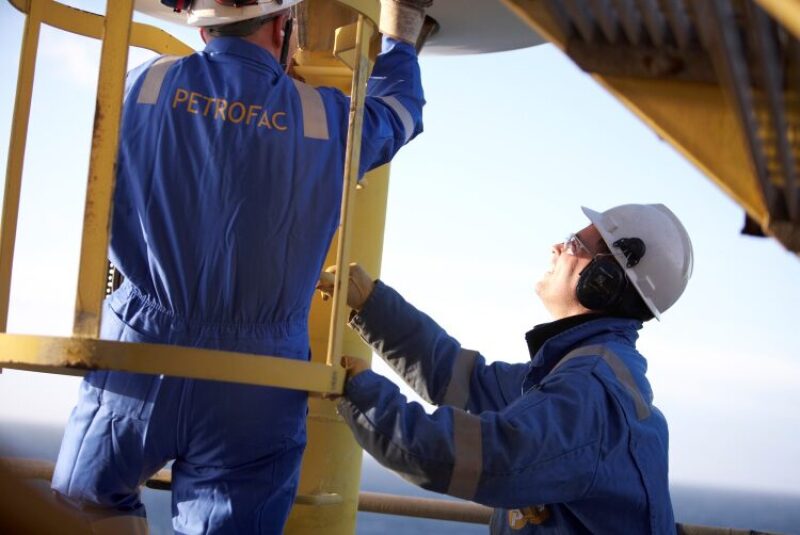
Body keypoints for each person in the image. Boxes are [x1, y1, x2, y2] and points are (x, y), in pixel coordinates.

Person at [51, 0, 432, 533]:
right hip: (260, 378)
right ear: (283, 24)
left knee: (82, 515)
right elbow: (397, 110)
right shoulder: (321, 118)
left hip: (137, 354)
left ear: (203, 25)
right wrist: (402, 36)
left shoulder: (143, 83)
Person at [319, 203, 694, 534]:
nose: (556, 248)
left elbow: (479, 458)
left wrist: (362, 395)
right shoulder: (574, 371)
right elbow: (464, 379)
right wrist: (371, 306)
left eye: (574, 243)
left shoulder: (588, 390)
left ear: (603, 282)